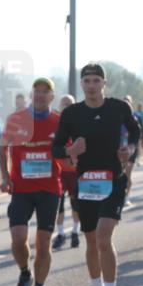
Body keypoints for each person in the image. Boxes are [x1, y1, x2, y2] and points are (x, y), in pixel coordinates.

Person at [54, 63, 140, 286]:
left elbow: (135, 131)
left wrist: (130, 149)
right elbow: (56, 148)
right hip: (86, 184)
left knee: (104, 238)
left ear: (104, 83)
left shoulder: (118, 108)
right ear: (82, 84)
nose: (91, 86)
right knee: (92, 243)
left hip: (113, 180)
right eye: (87, 81)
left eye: (96, 81)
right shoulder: (71, 114)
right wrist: (72, 151)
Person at [0, 78, 61, 286]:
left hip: (49, 189)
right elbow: (2, 148)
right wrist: (5, 177)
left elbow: (69, 151)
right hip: (22, 189)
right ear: (31, 93)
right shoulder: (16, 119)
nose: (40, 95)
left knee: (44, 244)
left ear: (51, 97)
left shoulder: (59, 121)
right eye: (37, 91)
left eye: (45, 92)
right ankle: (25, 272)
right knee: (18, 239)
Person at [53, 94, 81, 249]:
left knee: (75, 204)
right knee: (59, 204)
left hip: (75, 171)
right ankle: (61, 233)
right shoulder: (55, 124)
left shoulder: (80, 124)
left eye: (70, 104)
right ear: (59, 107)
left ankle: (75, 232)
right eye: (64, 104)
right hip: (59, 172)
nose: (67, 106)